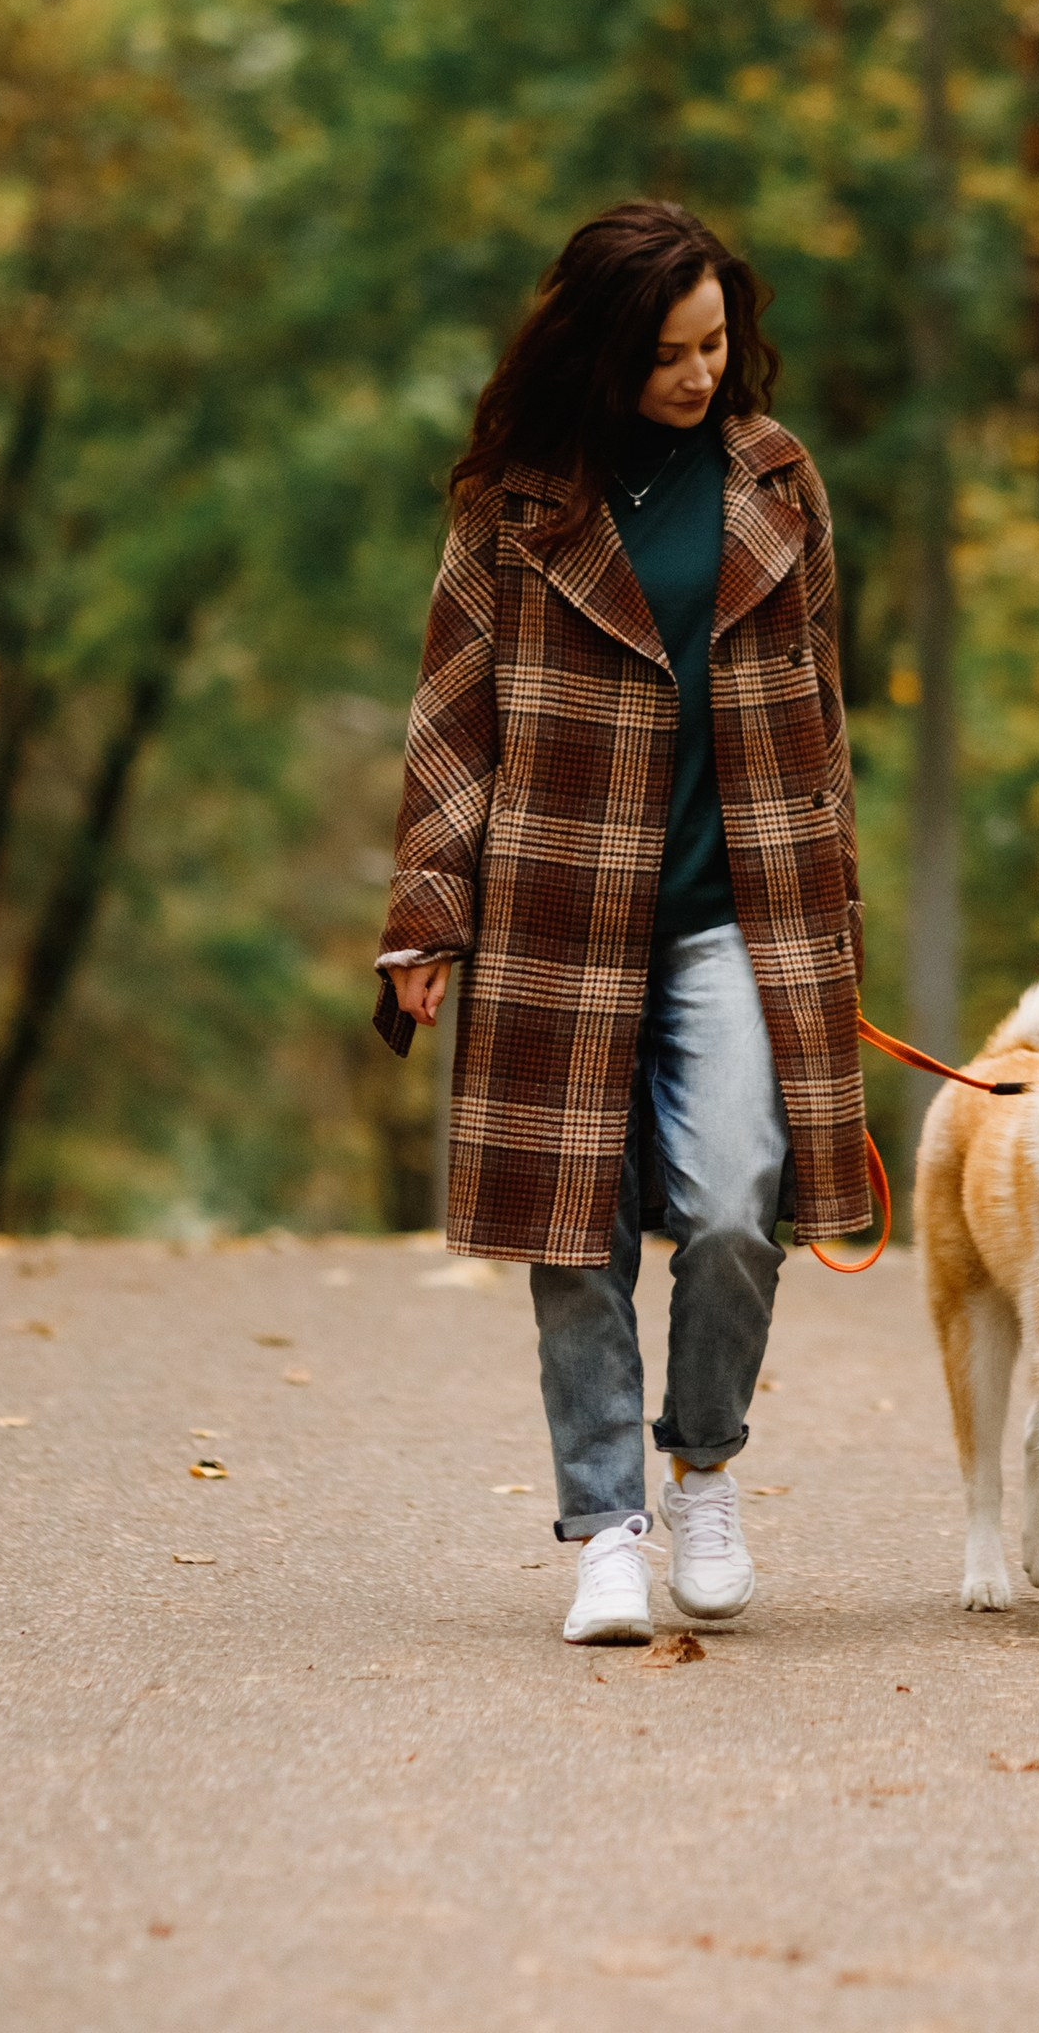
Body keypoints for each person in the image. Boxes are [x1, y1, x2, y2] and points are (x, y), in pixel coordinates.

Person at [375, 200, 869, 1645]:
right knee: (574, 1236)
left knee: (732, 1207)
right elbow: (453, 722)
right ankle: (607, 1530)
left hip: (740, 914)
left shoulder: (781, 483)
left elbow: (824, 717)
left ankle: (703, 1463)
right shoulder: (514, 505)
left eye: (717, 345)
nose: (700, 374)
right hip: (553, 913)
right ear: (601, 349)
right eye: (667, 353)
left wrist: (834, 919)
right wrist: (424, 922)